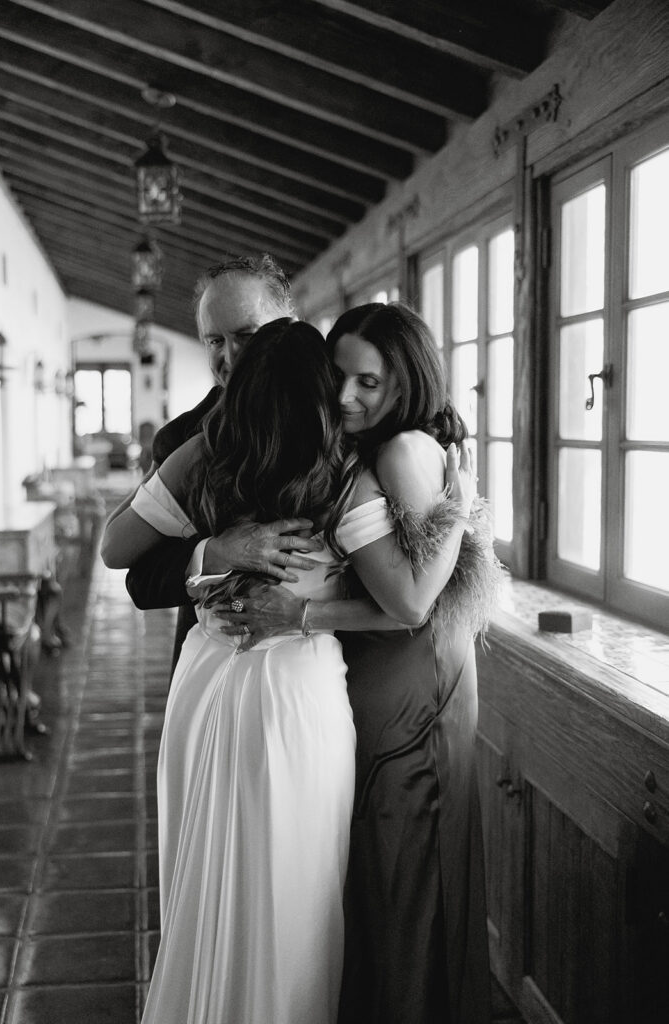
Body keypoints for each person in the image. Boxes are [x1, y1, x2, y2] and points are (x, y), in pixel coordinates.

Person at [101, 318, 479, 1024]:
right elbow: (408, 602)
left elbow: (115, 547)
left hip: (204, 680)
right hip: (294, 694)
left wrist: (211, 545)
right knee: (292, 896)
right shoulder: (340, 474)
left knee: (202, 872)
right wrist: (458, 507)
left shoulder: (204, 454)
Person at [214, 303, 500, 1024]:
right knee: (387, 880)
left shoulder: (400, 450)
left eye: (367, 383)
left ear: (406, 381)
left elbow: (412, 604)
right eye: (337, 377)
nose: (345, 397)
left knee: (407, 885)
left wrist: (300, 615)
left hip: (412, 682)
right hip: (392, 672)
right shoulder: (377, 446)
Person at [118, 254, 320, 677]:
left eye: (247, 335)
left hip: (320, 667)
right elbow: (140, 580)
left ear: (289, 324)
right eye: (214, 341)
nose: (232, 356)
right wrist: (215, 553)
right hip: (212, 666)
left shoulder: (334, 416)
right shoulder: (183, 439)